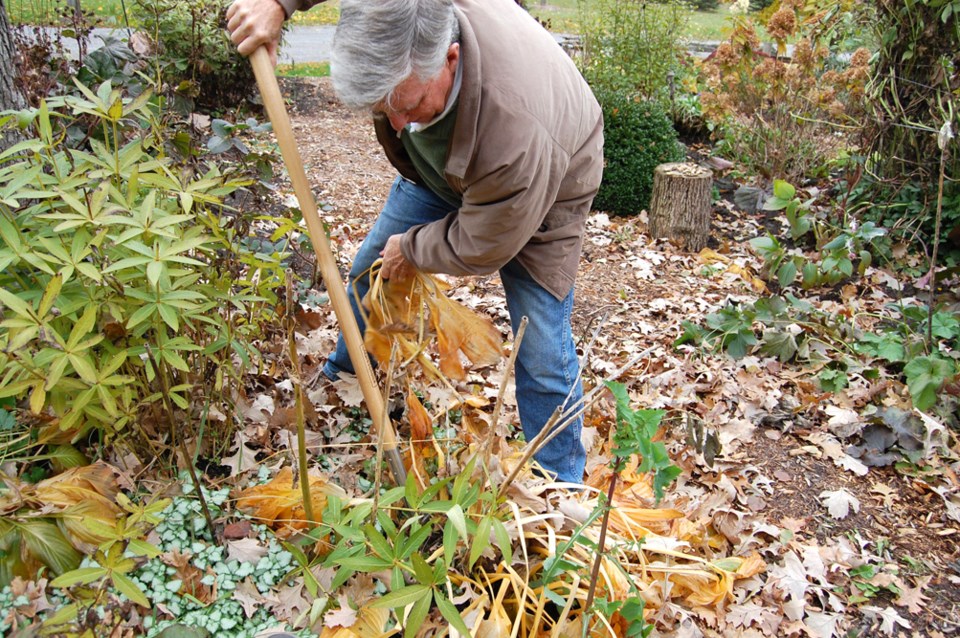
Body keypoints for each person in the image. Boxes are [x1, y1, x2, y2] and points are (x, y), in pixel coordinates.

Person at [226, 0, 603, 485]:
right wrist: (279, 4)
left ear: (449, 58)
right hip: (450, 165)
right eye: (385, 107)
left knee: (541, 339)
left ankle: (559, 485)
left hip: (548, 176)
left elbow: (485, 243)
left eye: (404, 105)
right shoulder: (408, 19)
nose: (398, 125)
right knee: (370, 268)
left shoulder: (517, 134)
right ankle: (346, 377)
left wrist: (414, 247)